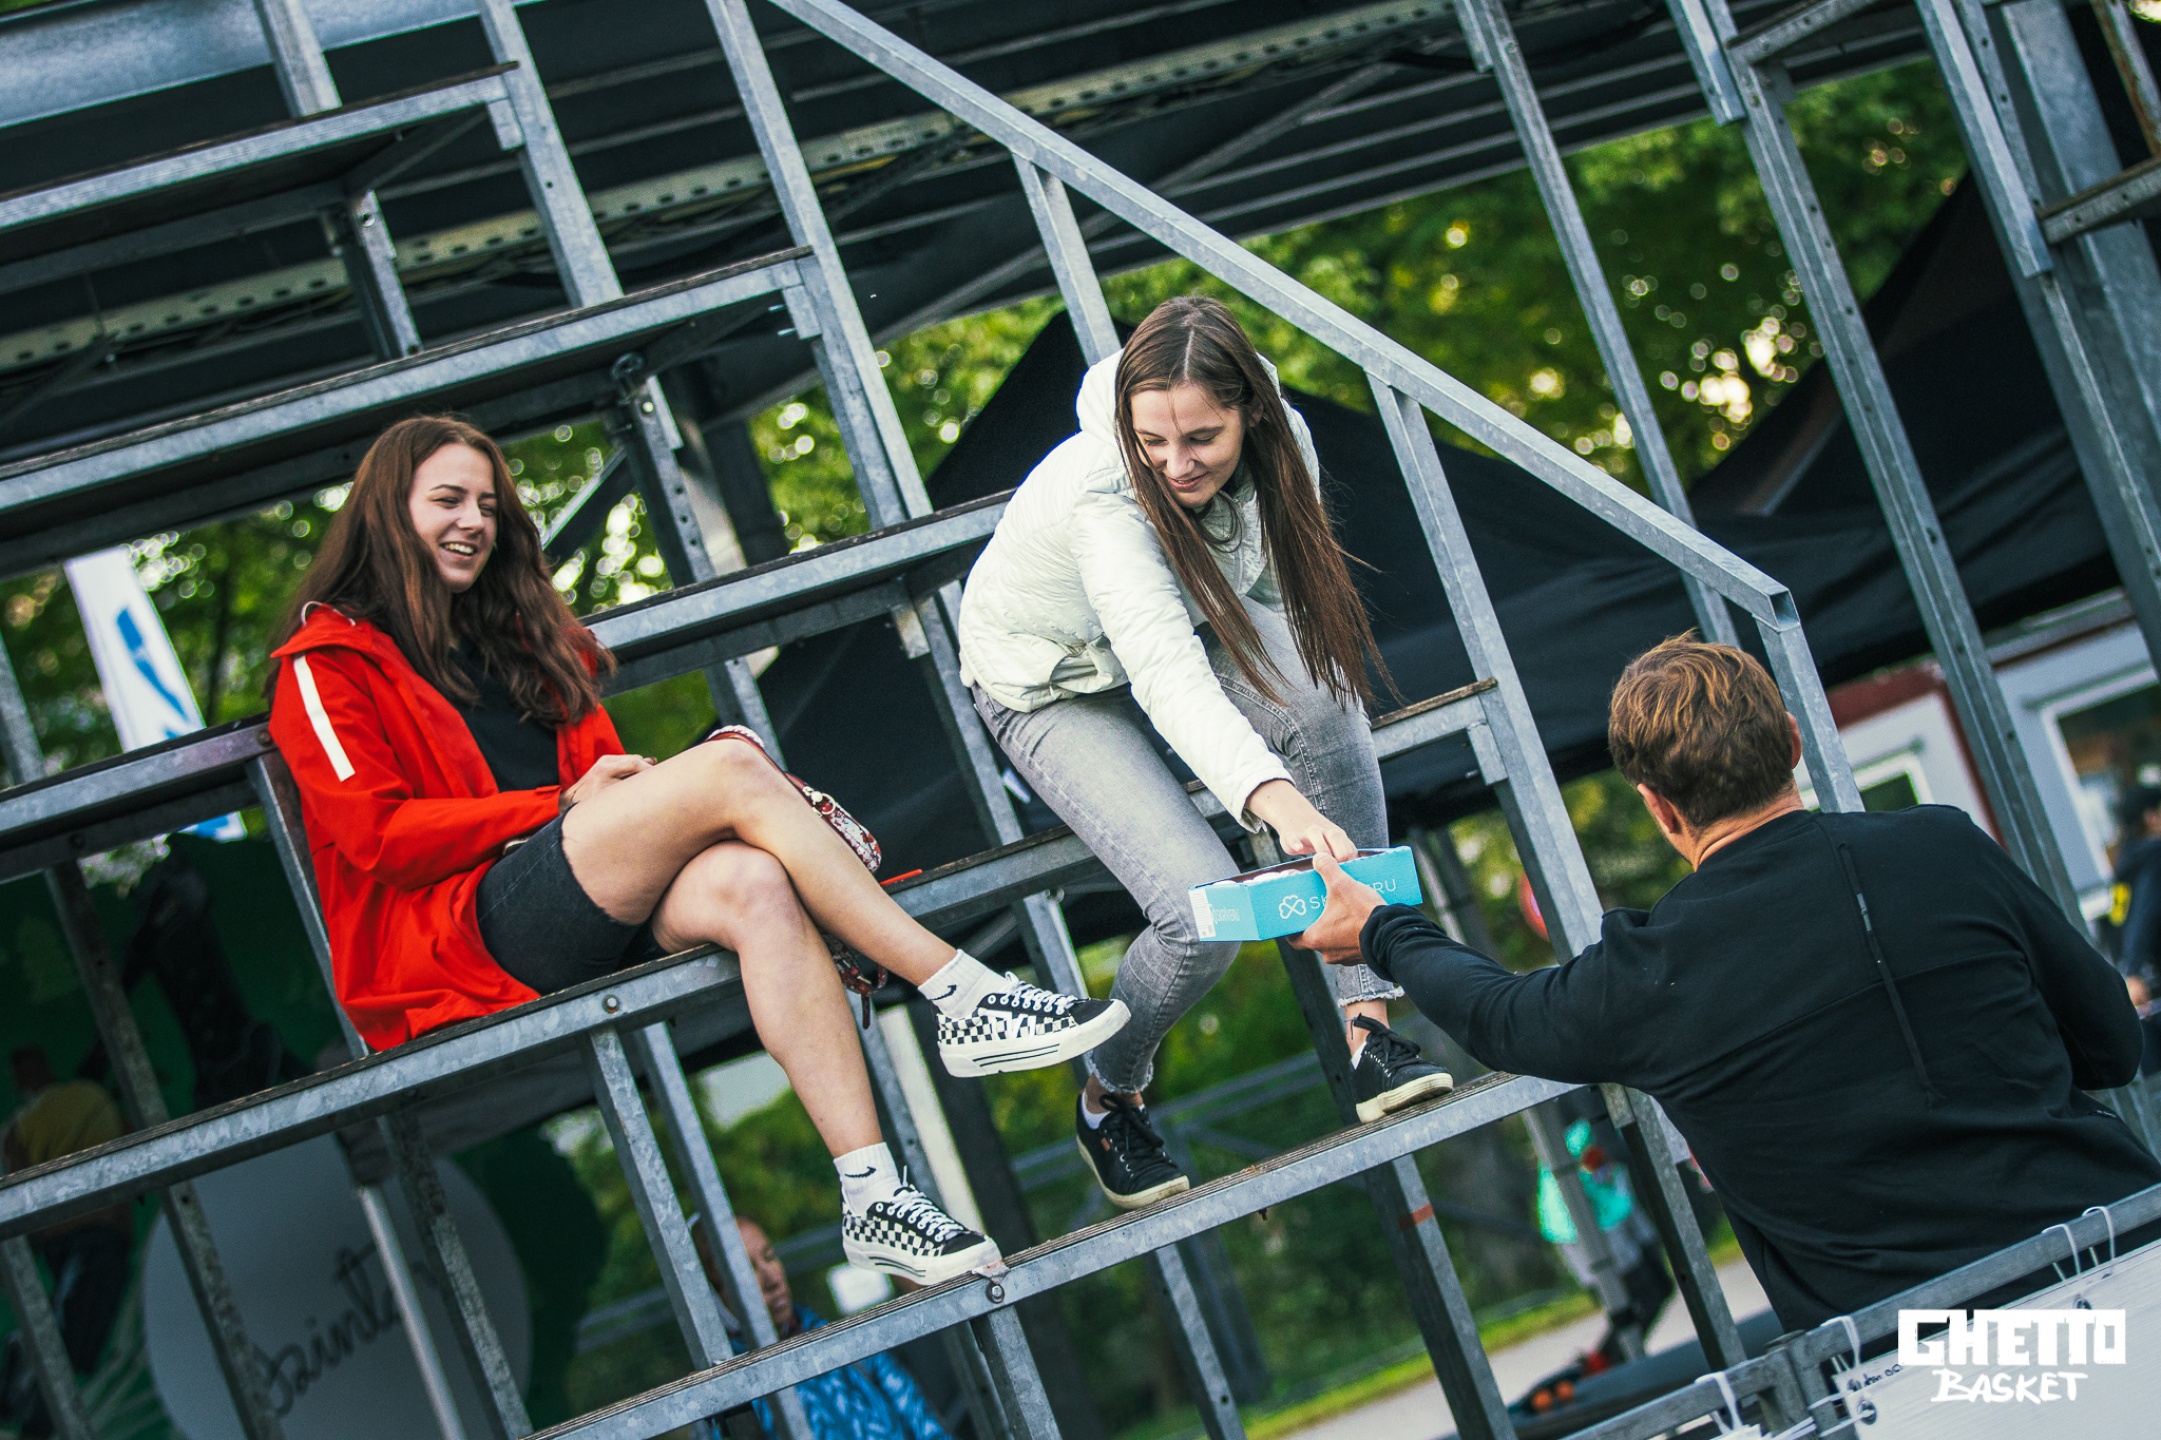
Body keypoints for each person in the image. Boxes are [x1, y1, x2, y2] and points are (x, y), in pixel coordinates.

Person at [266, 416, 1128, 1284]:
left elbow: (604, 795)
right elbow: (378, 838)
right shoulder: (326, 660)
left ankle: (873, 1197)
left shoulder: (522, 637)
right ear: (387, 512)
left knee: (753, 880)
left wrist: (633, 811)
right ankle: (962, 992)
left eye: (488, 506)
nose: (473, 522)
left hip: (577, 905)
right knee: (728, 766)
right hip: (454, 941)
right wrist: (558, 806)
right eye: (447, 500)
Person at [1294, 634, 2161, 1330]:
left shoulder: (1649, 972)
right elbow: (2113, 1046)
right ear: (1791, 742)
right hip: (2125, 1258)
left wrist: (1380, 928)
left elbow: (1499, 1015)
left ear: (1658, 806)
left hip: (1917, 1357)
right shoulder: (1945, 849)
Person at [958, 296, 1449, 1209]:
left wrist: (1297, 744)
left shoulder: (1284, 442)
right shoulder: (1106, 498)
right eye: (1152, 442)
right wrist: (1274, 798)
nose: (1176, 464)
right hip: (1051, 679)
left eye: (1201, 440)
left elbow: (1267, 594)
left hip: (1189, 617)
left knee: (1326, 702)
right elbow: (1165, 676)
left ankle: (1370, 1033)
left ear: (1248, 413)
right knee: (1200, 911)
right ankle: (1110, 1098)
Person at [691, 1217, 952, 1440]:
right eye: (746, 1271)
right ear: (715, 1297)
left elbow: (927, 1427)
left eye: (769, 1256)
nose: (772, 1279)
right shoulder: (729, 1400)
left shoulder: (851, 1345)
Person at [0, 1049, 132, 1439]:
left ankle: (28, 1377)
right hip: (82, 1239)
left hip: (92, 1238)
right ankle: (29, 1393)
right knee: (71, 1339)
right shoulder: (27, 1124)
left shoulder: (82, 1101)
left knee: (76, 1340)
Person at [2107, 784, 2161, 1073]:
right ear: (2151, 817)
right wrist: (2134, 970)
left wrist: (2126, 970)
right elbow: (2145, 911)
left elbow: (2117, 921)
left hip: (2140, 992)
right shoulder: (2156, 854)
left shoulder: (2124, 866)